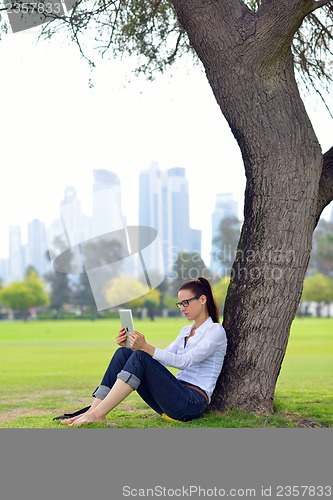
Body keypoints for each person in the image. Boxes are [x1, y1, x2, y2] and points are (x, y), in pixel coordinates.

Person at [60, 276, 227, 427]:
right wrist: (133, 346)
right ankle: (92, 412)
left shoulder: (215, 331)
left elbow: (185, 362)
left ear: (203, 299)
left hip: (191, 402)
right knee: (124, 354)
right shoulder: (185, 331)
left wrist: (144, 348)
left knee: (140, 356)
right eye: (180, 304)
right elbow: (160, 361)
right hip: (171, 396)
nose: (182, 308)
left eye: (186, 302)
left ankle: (97, 414)